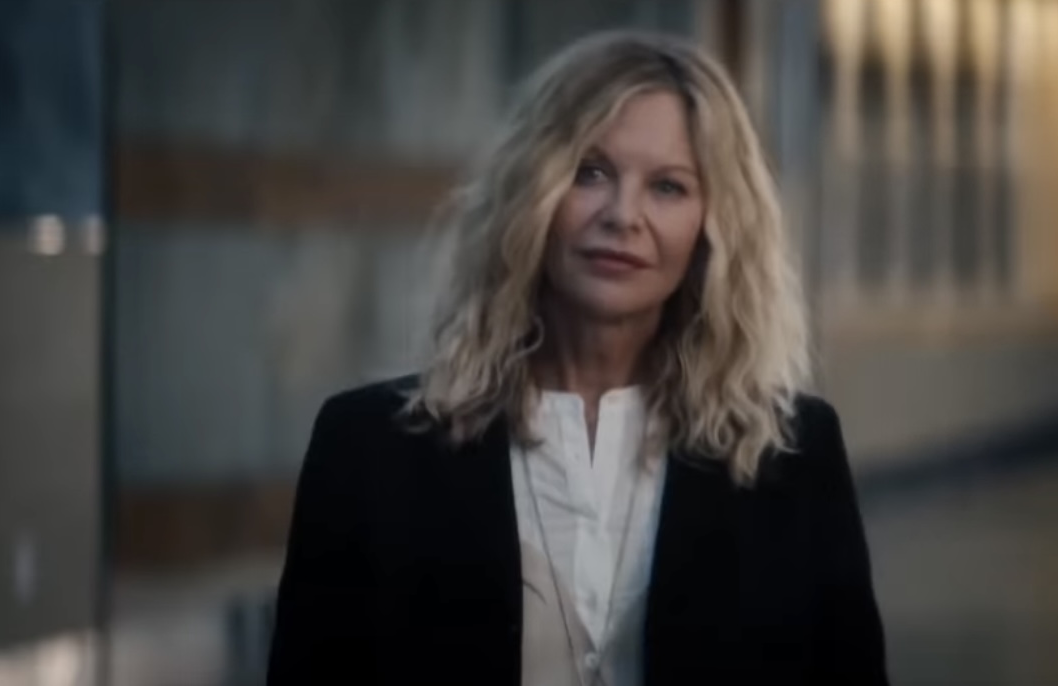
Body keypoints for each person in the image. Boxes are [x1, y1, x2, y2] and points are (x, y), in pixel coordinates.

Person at [266, 31, 887, 686]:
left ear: (715, 225)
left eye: (668, 187)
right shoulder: (367, 447)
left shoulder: (793, 454)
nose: (623, 215)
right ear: (532, 192)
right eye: (590, 172)